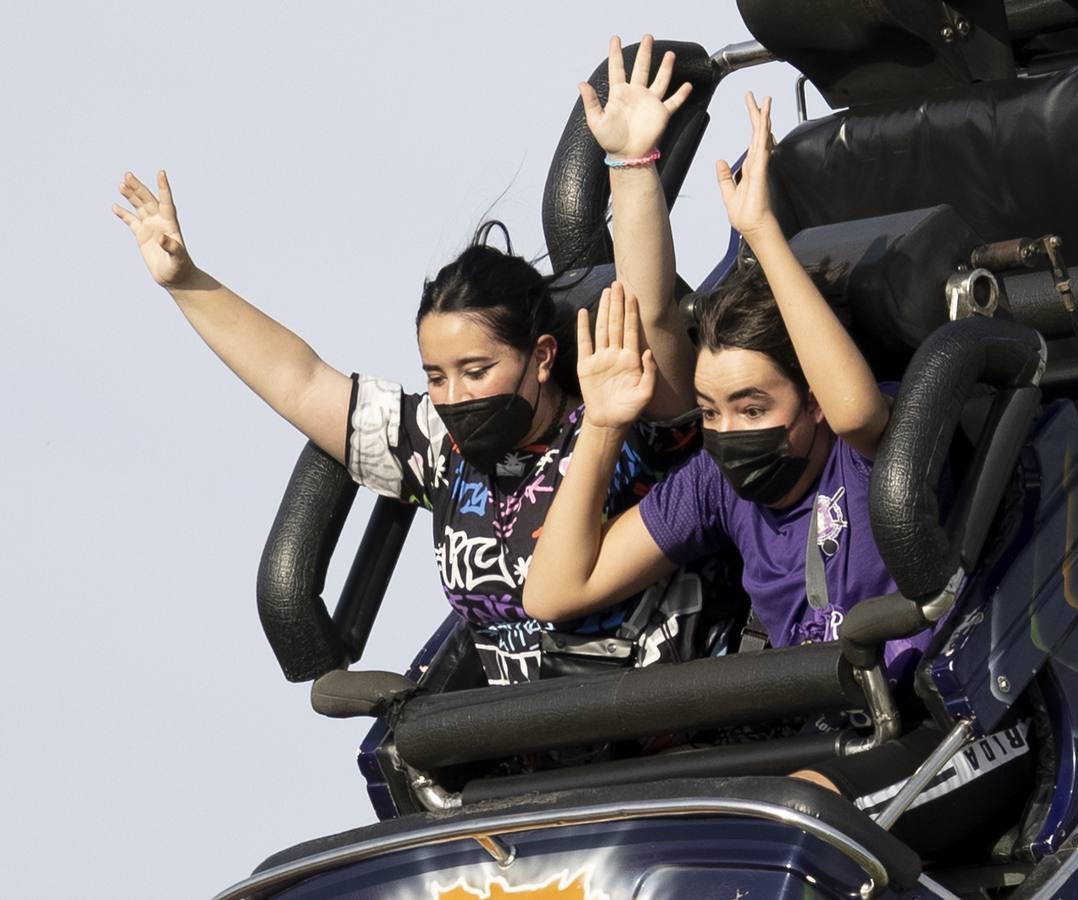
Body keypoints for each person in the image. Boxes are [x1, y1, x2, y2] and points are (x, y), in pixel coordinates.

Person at [524, 94, 1033, 853]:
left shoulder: (871, 448)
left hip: (960, 724)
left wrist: (759, 232)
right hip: (831, 739)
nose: (727, 433)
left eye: (752, 407)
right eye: (710, 410)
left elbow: (856, 410)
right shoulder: (713, 483)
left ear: (811, 403)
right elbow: (554, 591)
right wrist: (601, 426)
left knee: (785, 829)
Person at [113, 36, 701, 686]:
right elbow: (299, 380)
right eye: (436, 377)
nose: (453, 396)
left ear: (540, 357)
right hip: (534, 760)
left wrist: (633, 165)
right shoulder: (441, 450)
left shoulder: (624, 419)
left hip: (657, 735)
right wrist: (185, 280)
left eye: (476, 371)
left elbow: (650, 317)